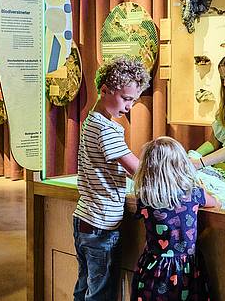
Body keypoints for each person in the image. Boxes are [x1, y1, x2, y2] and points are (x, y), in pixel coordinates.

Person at [72, 56, 150, 301]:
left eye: (133, 100)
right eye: (126, 99)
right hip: (101, 225)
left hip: (85, 219)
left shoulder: (92, 121)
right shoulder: (106, 130)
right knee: (100, 294)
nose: (129, 107)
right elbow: (137, 169)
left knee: (84, 286)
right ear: (105, 89)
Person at [130, 136, 220, 300]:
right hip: (186, 270)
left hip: (153, 267)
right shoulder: (193, 193)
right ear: (181, 165)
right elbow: (216, 203)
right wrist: (202, 187)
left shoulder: (145, 197)